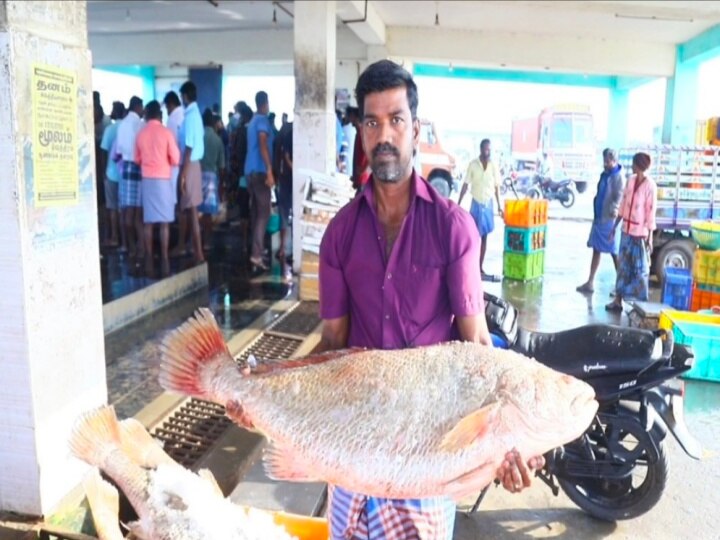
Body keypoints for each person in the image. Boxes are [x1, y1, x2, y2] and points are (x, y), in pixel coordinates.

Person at [316, 59, 543, 540]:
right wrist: (264, 394)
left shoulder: (453, 227)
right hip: (352, 445)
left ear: (415, 130)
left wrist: (508, 444)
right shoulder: (338, 234)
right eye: (372, 122)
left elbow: (477, 344)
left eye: (396, 120)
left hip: (428, 453)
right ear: (360, 132)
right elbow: (330, 345)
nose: (384, 135)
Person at [605, 152, 657, 312]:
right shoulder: (630, 180)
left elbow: (650, 212)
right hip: (626, 231)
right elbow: (623, 205)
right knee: (623, 268)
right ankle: (618, 301)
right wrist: (614, 227)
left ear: (639, 165)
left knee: (640, 270)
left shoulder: (650, 186)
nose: (632, 167)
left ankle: (640, 306)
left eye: (634, 164)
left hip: (640, 234)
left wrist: (650, 237)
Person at [134, 100, 180, 277]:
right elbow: (176, 158)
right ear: (160, 115)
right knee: (164, 222)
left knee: (148, 221)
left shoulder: (141, 134)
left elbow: (137, 159)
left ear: (146, 115)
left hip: (147, 179)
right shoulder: (166, 133)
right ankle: (165, 257)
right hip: (163, 180)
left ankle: (148, 257)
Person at [576, 148, 624, 294]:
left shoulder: (618, 177)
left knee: (614, 253)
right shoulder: (605, 175)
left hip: (610, 220)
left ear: (614, 161)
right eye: (604, 160)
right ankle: (590, 282)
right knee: (596, 250)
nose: (605, 163)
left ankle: (620, 287)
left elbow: (619, 196)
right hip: (599, 217)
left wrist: (614, 209)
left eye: (608, 161)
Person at [458, 139, 504, 282]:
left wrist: (499, 205)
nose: (487, 152)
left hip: (488, 203)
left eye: (489, 149)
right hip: (476, 203)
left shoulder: (494, 166)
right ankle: (471, 265)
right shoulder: (473, 165)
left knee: (484, 237)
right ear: (480, 149)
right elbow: (465, 184)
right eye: (485, 149)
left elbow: (497, 187)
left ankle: (479, 266)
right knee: (473, 236)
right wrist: (458, 204)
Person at [172, 81, 205, 265]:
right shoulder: (193, 114)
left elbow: (190, 147)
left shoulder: (192, 116)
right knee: (188, 209)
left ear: (185, 97)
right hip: (191, 164)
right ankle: (190, 248)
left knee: (192, 210)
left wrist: (183, 174)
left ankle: (198, 253)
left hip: (190, 164)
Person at [245, 90, 275, 272]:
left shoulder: (252, 122)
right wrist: (270, 170)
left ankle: (256, 250)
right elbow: (263, 144)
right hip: (260, 171)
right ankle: (256, 255)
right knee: (265, 214)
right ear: (265, 103)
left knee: (256, 213)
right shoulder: (262, 121)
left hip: (250, 171)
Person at [116, 95, 145, 261]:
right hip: (138, 167)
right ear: (138, 107)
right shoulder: (139, 125)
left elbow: (119, 151)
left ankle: (131, 246)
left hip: (125, 167)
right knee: (138, 214)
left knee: (127, 211)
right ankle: (141, 247)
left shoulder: (122, 125)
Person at [99, 101, 126, 249]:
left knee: (112, 208)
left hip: (111, 173)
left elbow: (103, 151)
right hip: (124, 175)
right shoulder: (127, 128)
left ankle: (114, 237)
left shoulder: (109, 129)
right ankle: (124, 240)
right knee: (123, 209)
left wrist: (103, 172)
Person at [199, 108, 225, 251]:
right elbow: (221, 166)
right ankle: (206, 242)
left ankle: (195, 240)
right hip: (211, 177)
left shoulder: (198, 136)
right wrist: (222, 185)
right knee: (208, 213)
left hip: (196, 174)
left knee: (195, 210)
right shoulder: (217, 139)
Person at [276, 120, 293, 276]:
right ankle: (283, 248)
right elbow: (285, 155)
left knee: (289, 214)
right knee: (284, 213)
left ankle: (287, 248)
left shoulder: (289, 131)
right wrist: (294, 168)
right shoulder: (290, 134)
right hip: (287, 179)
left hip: (290, 179)